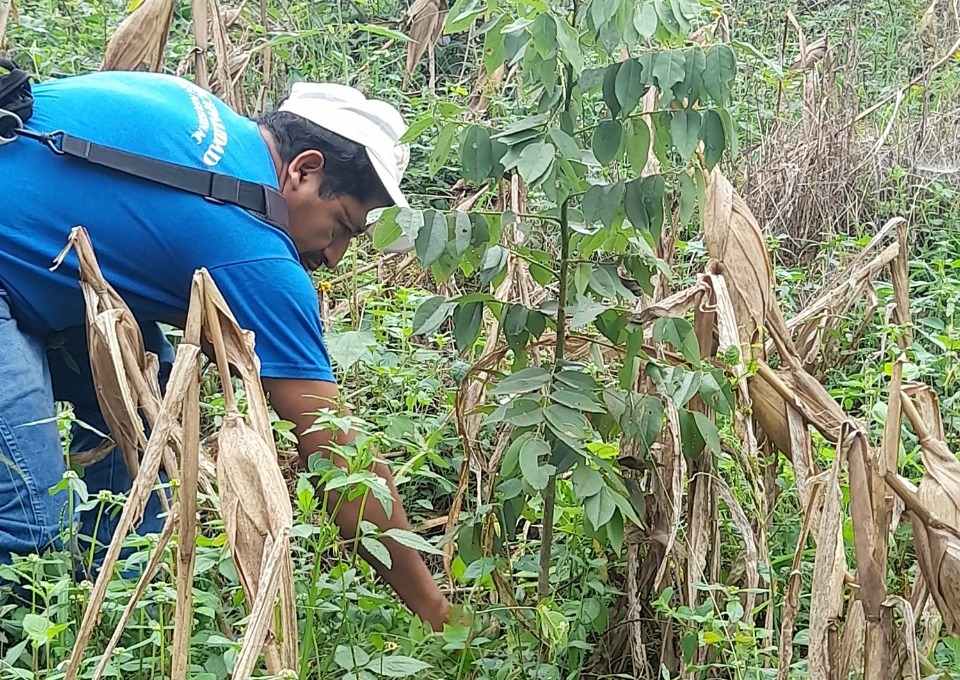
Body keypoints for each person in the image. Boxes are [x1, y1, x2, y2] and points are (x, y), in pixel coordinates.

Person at [0, 69, 449, 630]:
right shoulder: (252, 247)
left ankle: (126, 609)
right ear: (305, 169)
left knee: (145, 389)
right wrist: (435, 611)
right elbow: (337, 453)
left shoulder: (198, 108)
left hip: (25, 261)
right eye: (342, 227)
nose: (334, 256)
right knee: (30, 528)